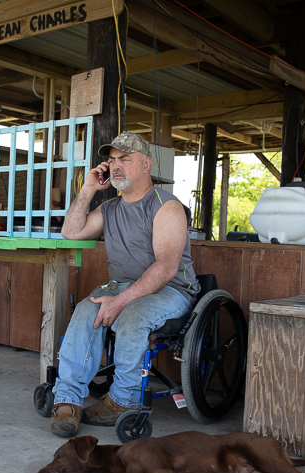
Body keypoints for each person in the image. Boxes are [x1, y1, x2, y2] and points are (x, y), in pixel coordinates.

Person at [50, 132, 200, 437]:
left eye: (125, 159)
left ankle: (123, 401)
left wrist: (121, 301)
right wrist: (88, 189)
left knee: (132, 316)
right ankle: (67, 400)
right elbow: (71, 232)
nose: (116, 166)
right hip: (123, 285)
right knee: (84, 311)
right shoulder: (110, 209)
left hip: (171, 291)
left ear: (146, 164)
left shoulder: (166, 206)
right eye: (113, 160)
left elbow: (167, 266)